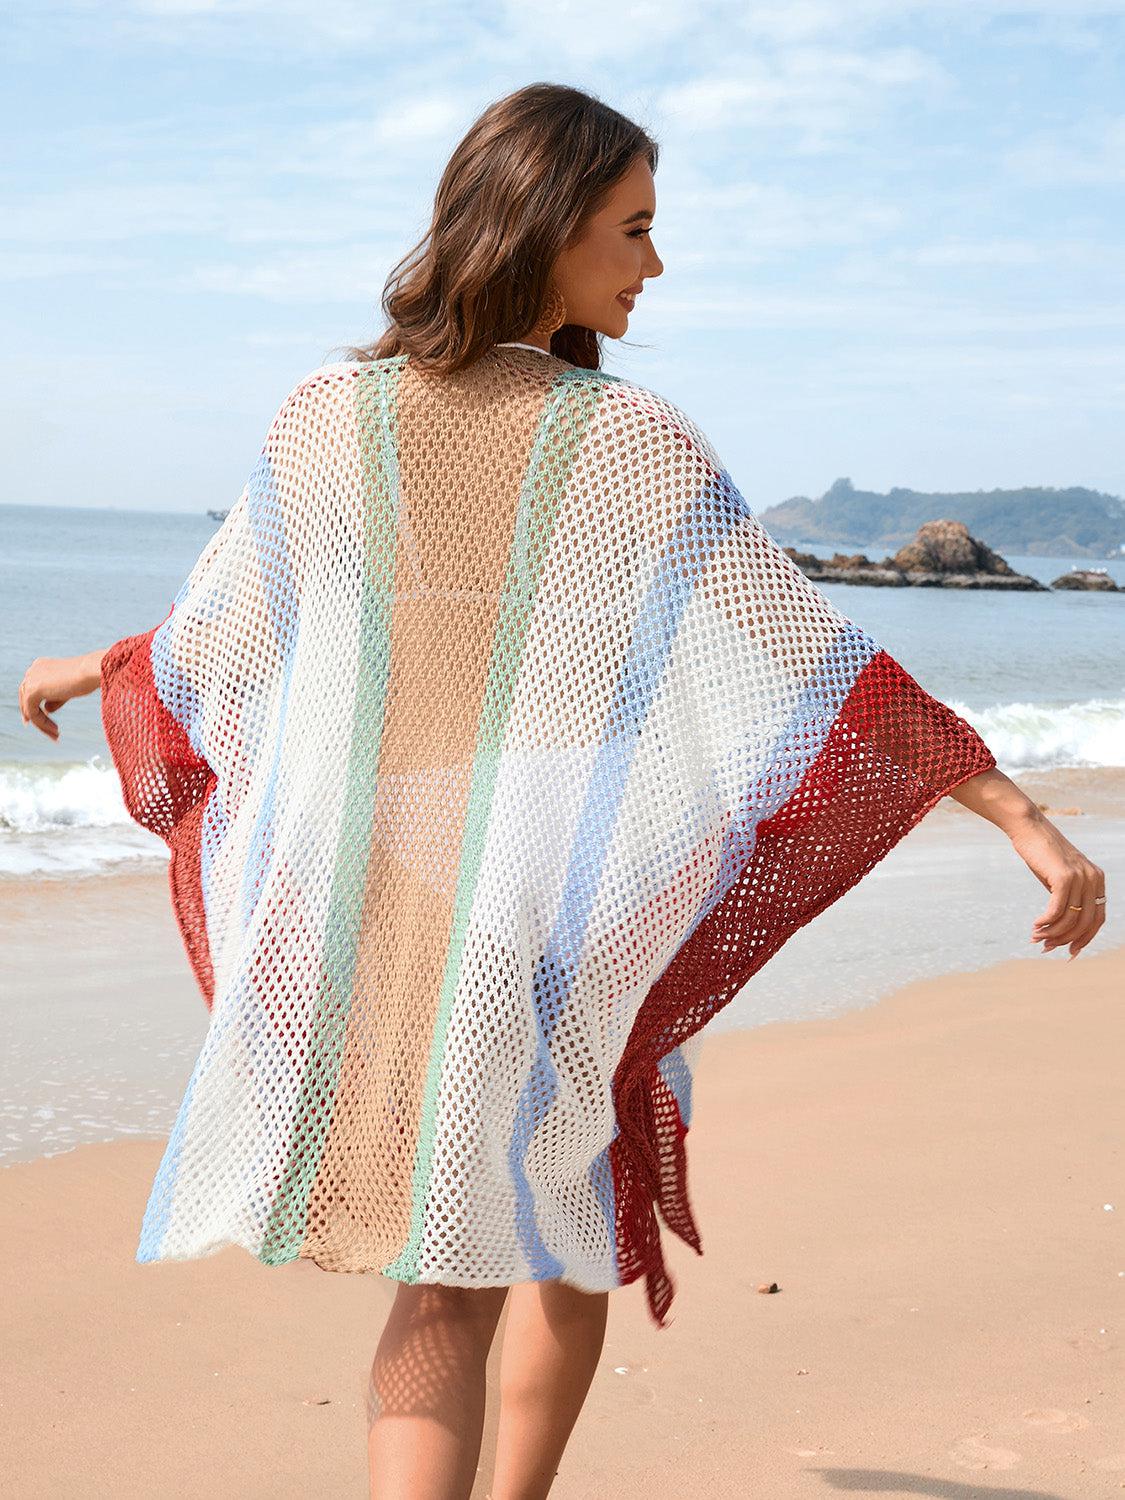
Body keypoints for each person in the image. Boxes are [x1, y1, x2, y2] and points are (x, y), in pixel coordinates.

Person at [17, 82, 1107, 1500]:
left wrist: (89, 666)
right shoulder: (626, 441)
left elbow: (227, 637)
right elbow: (818, 669)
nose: (653, 266)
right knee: (554, 1217)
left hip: (391, 915)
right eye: (634, 230)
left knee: (448, 1257)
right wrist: (1018, 816)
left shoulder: (326, 416)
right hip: (561, 907)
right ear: (542, 224)